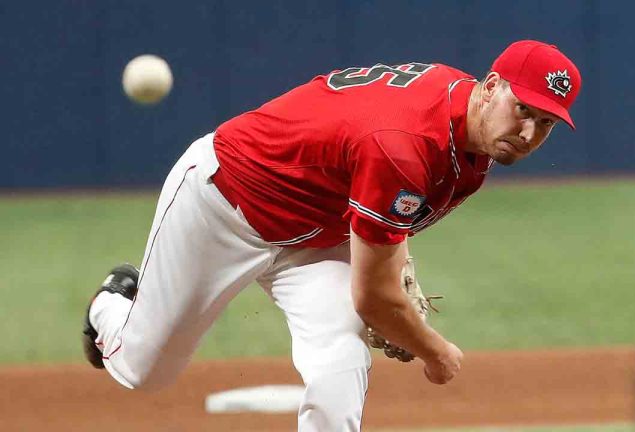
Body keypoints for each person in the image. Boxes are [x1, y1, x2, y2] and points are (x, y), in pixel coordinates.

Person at [82, 39, 581, 431]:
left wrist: (399, 273)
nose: (529, 133)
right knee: (145, 371)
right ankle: (110, 304)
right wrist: (434, 350)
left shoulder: (468, 129)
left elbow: (385, 204)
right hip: (223, 206)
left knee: (340, 361)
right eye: (524, 110)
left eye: (546, 123)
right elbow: (373, 296)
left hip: (314, 237)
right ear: (491, 86)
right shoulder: (406, 140)